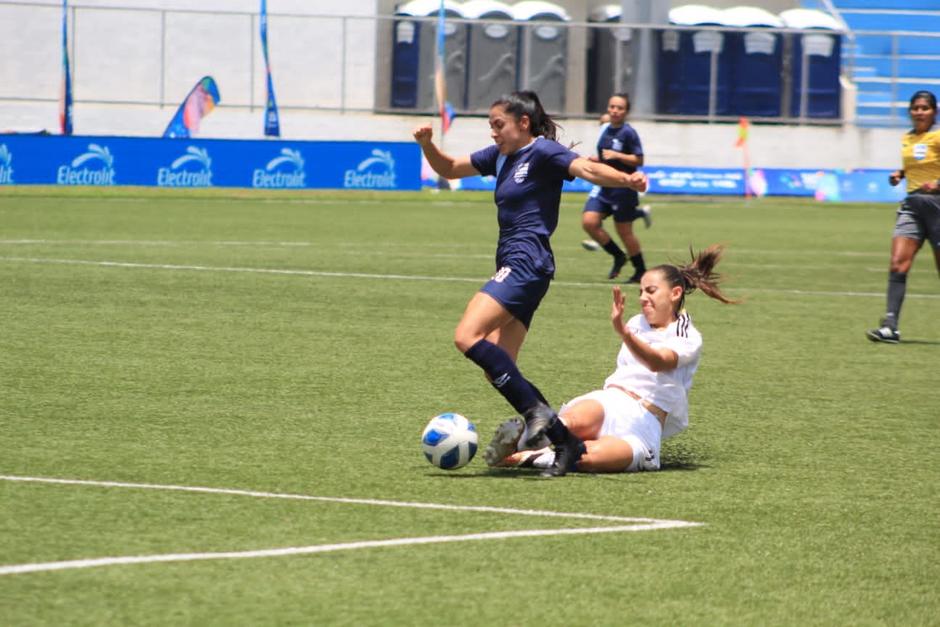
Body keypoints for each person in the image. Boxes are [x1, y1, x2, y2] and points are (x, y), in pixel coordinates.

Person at [413, 90, 649, 478]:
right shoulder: (500, 155)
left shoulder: (543, 152)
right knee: (496, 364)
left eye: (499, 125)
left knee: (466, 335)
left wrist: (627, 180)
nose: (493, 132)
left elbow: (587, 169)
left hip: (527, 262)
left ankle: (536, 413)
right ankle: (565, 442)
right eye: (490, 125)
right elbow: (451, 168)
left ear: (523, 123)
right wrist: (427, 145)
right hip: (519, 264)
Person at [485, 245, 737, 475]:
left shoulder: (686, 335)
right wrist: (626, 330)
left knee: (587, 459)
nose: (642, 298)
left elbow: (659, 362)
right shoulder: (636, 322)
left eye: (650, 291)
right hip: (611, 400)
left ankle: (530, 456)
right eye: (641, 291)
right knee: (570, 421)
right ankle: (526, 440)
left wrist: (624, 333)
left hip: (645, 422)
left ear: (675, 293)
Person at [867, 90, 940, 344]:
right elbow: (917, 166)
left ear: (934, 111)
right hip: (913, 206)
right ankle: (890, 327)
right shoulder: (907, 138)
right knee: (898, 263)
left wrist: (938, 183)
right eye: (915, 108)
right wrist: (900, 173)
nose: (919, 112)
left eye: (924, 108)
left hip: (938, 206)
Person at [581, 93, 652, 283]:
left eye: (619, 108)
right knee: (589, 222)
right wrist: (597, 160)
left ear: (626, 112)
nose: (614, 111)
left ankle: (640, 271)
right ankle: (618, 255)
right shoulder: (606, 128)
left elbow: (639, 159)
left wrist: (617, 155)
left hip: (624, 189)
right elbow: (605, 156)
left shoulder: (629, 133)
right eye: (612, 106)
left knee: (624, 232)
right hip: (604, 186)